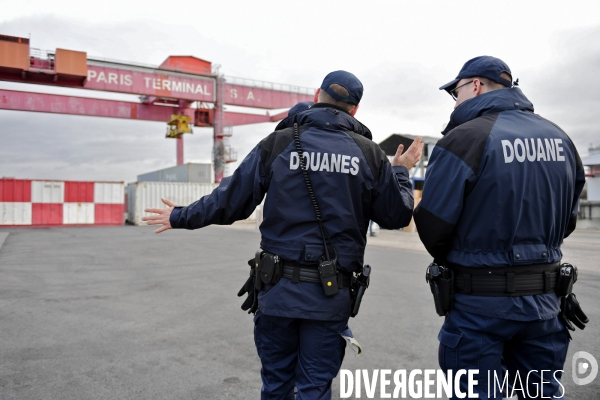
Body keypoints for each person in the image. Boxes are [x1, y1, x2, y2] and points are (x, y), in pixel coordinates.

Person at [143, 70, 424, 400]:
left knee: (276, 385)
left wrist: (180, 216)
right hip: (330, 297)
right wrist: (401, 172)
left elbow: (229, 202)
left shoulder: (278, 143)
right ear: (355, 110)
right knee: (314, 388)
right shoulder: (369, 153)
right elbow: (397, 215)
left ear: (317, 93)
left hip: (276, 291)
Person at [414, 56, 586, 399]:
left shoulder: (463, 140)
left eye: (456, 92)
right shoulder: (560, 138)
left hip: (480, 306)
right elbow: (568, 220)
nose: (456, 100)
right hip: (544, 304)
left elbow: (432, 225)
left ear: (475, 86)